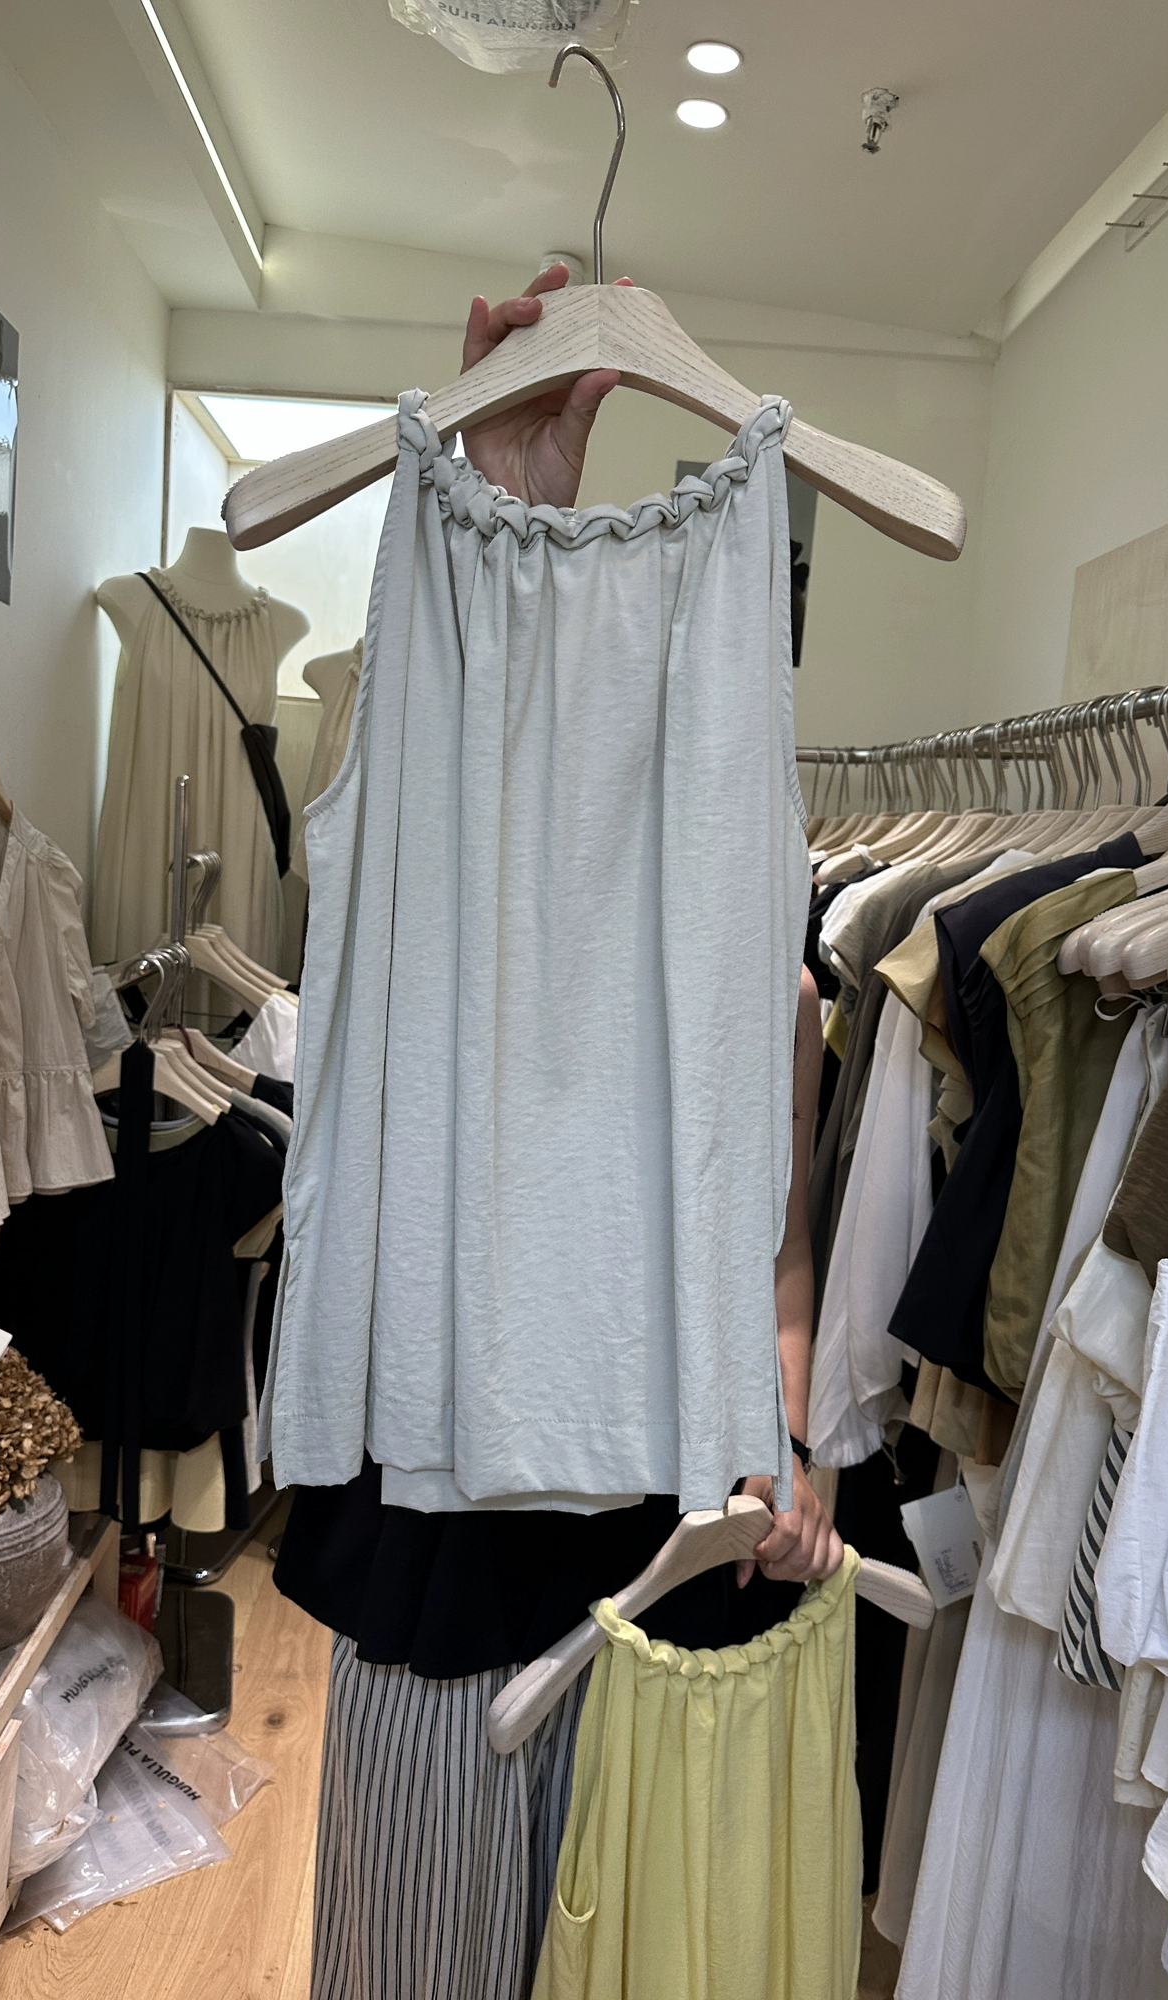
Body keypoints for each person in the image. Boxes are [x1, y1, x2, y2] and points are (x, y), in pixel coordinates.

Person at [275, 264, 841, 2000]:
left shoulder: (778, 981)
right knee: (418, 1965)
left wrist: (789, 1445)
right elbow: (446, 740)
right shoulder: (441, 776)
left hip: (664, 1558)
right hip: (438, 1524)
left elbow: (779, 1262)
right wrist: (496, 499)